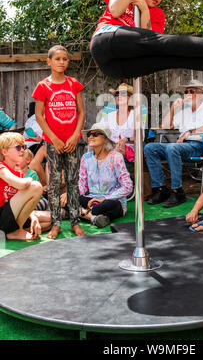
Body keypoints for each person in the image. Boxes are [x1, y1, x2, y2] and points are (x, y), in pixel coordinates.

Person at [32, 45, 86, 239]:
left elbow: (81, 112)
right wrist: (53, 139)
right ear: (49, 62)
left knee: (73, 182)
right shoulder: (43, 86)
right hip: (53, 143)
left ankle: (75, 222)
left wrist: (74, 136)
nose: (62, 62)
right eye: (57, 59)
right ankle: (56, 224)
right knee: (54, 184)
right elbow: (39, 116)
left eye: (65, 59)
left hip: (72, 142)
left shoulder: (74, 84)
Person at [144, 80, 203, 207]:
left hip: (198, 146)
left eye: (191, 91)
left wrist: (190, 132)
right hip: (180, 146)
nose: (187, 94)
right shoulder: (184, 112)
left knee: (172, 148)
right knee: (150, 148)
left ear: (200, 94)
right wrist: (173, 107)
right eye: (186, 92)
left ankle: (177, 191)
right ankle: (161, 189)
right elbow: (165, 126)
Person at [79, 124, 133, 228]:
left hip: (110, 201)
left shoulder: (116, 157)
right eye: (89, 134)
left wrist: (104, 199)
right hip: (91, 200)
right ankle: (94, 218)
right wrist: (71, 195)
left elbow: (128, 186)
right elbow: (82, 184)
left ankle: (77, 212)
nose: (90, 137)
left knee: (112, 205)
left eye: (95, 134)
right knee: (72, 198)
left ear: (105, 138)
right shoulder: (85, 158)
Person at [0, 132, 43, 240]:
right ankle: (17, 230)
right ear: (4, 151)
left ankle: (15, 231)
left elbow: (20, 200)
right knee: (36, 187)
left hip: (8, 214)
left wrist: (33, 217)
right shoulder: (1, 167)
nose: (23, 150)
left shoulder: (18, 172)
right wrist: (29, 179)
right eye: (18, 147)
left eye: (23, 147)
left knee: (47, 220)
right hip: (2, 215)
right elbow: (21, 184)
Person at [98, 82, 145, 161]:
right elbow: (99, 131)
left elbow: (141, 137)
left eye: (122, 94)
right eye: (116, 94)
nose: (118, 96)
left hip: (128, 149)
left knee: (114, 152)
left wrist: (126, 139)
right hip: (110, 147)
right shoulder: (109, 116)